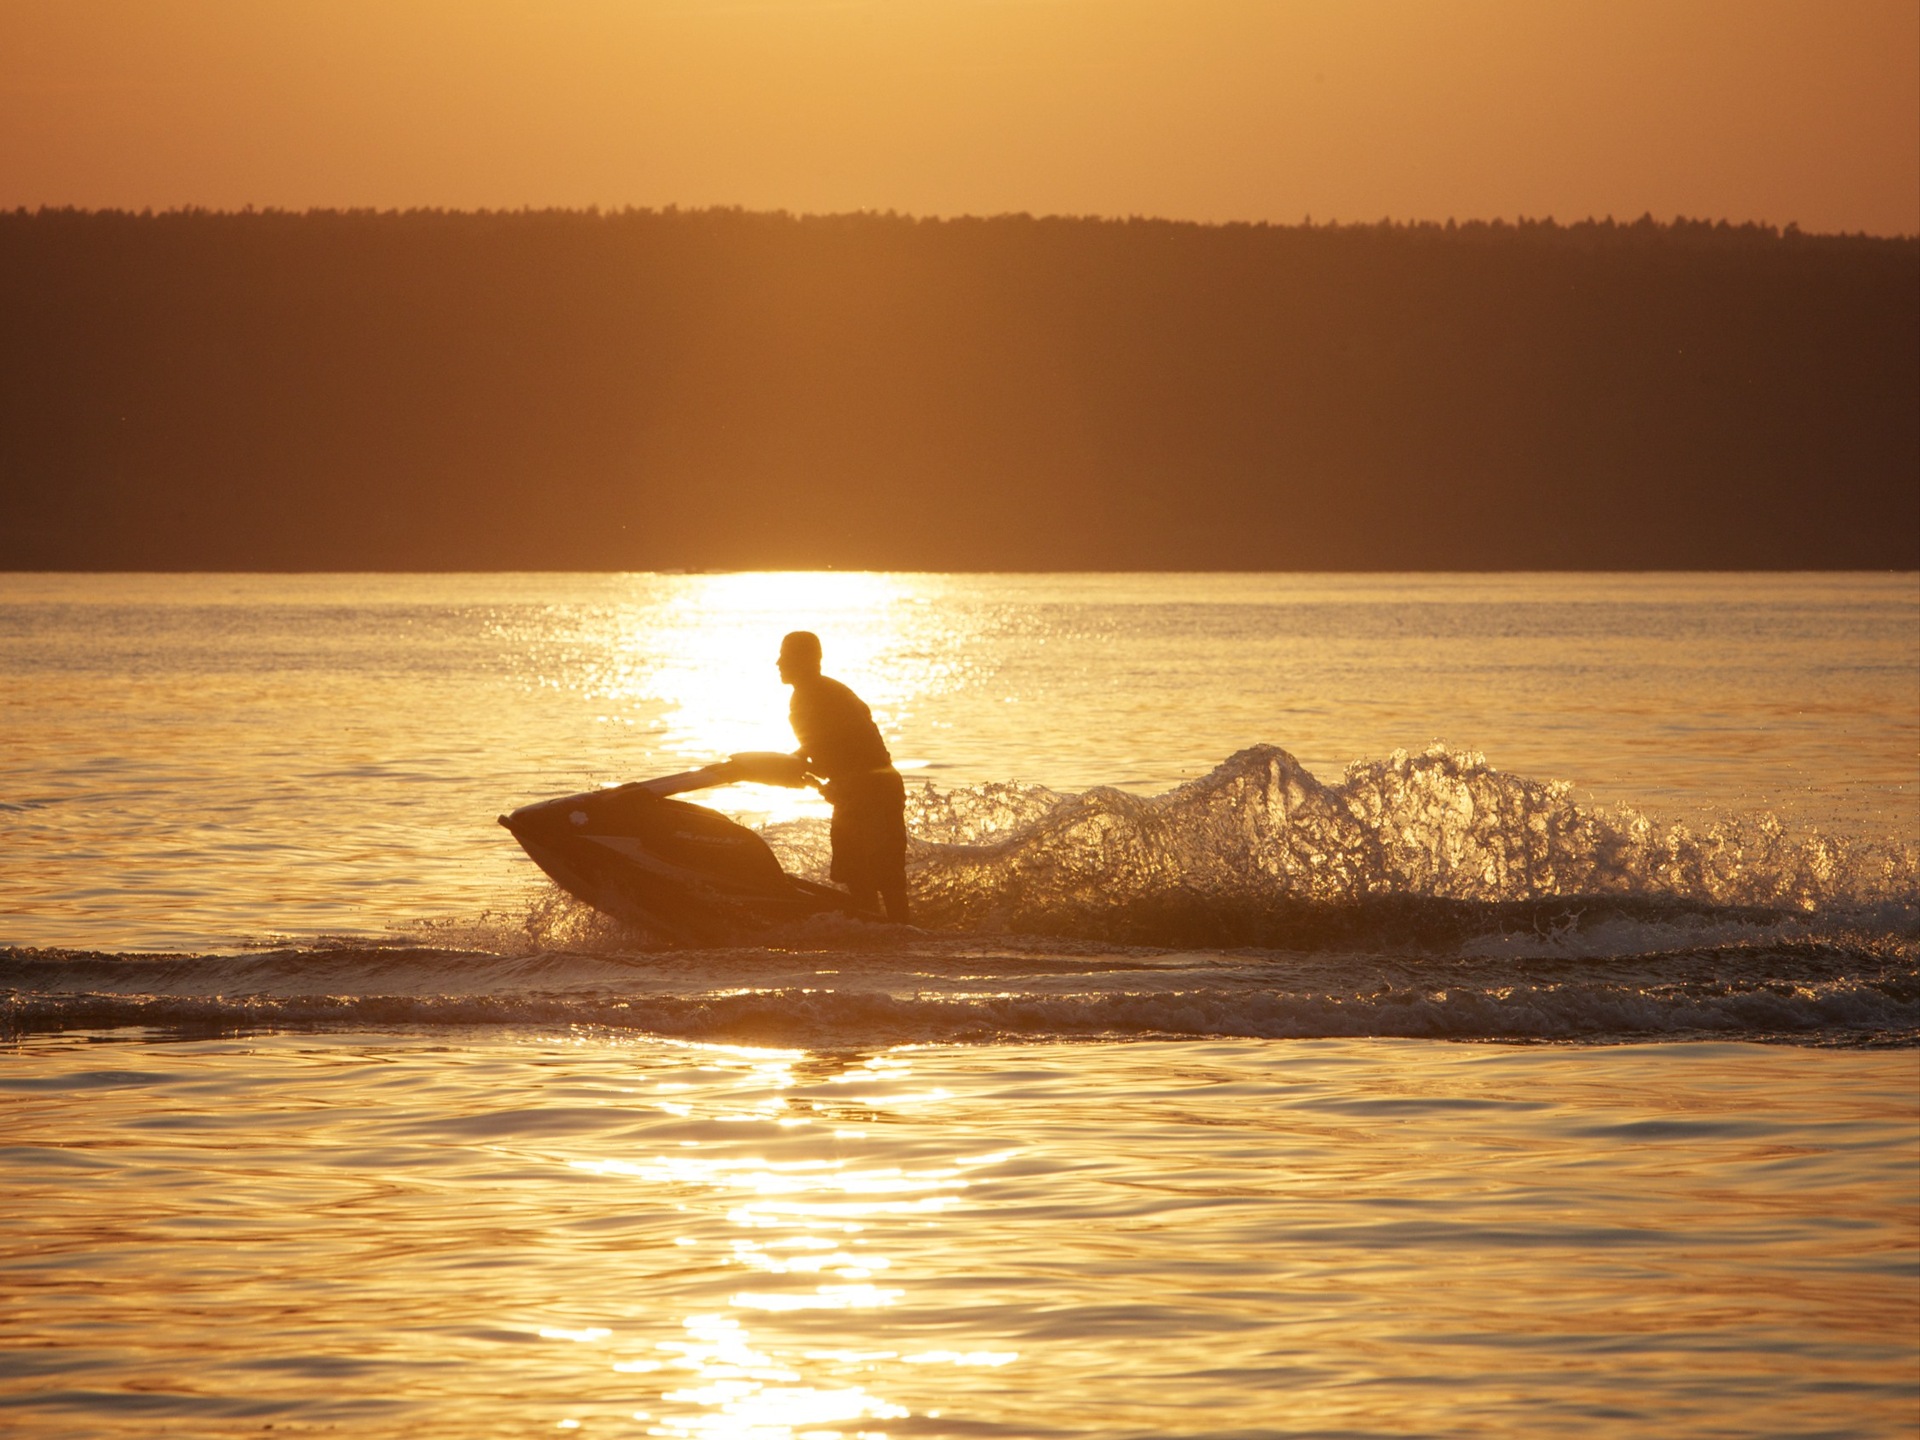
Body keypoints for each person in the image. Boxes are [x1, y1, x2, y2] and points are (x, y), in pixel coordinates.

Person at [777, 630, 910, 923]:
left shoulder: (812, 696)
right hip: (876, 786)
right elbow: (832, 747)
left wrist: (797, 763)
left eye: (785, 657)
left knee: (874, 879)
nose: (778, 663)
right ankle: (894, 937)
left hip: (867, 791)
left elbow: (828, 746)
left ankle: (890, 940)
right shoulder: (828, 691)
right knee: (878, 879)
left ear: (807, 660)